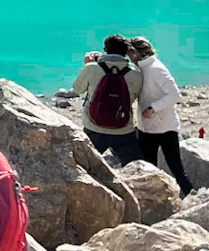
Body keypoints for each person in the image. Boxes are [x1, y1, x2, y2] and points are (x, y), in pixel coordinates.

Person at [129, 37, 194, 196]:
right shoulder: (141, 69)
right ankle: (157, 204)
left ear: (136, 52)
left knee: (177, 171)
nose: (128, 57)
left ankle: (197, 199)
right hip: (146, 128)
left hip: (165, 129)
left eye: (129, 52)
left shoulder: (156, 68)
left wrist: (153, 108)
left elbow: (175, 94)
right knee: (148, 170)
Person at [73, 34, 144, 163]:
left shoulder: (91, 69)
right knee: (137, 165)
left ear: (105, 50)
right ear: (126, 53)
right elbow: (133, 99)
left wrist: (87, 65)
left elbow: (78, 89)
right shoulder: (136, 75)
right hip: (123, 129)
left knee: (85, 165)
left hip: (94, 127)